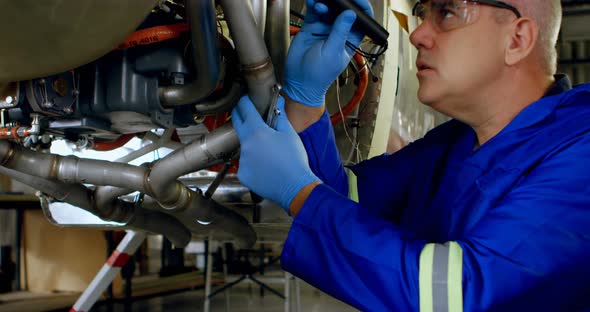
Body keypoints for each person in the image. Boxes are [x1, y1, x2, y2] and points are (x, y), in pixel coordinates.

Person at [231, 0, 590, 310]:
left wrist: (298, 193)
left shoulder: (580, 152)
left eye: (447, 12)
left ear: (517, 39)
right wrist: (306, 100)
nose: (417, 34)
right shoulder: (453, 143)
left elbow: (459, 296)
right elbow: (341, 200)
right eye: (422, 12)